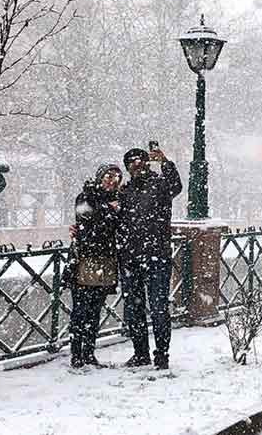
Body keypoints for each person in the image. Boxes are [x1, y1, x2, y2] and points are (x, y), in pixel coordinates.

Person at [118, 147, 182, 368]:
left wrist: (165, 161)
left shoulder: (160, 184)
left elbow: (176, 185)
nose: (136, 165)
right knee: (133, 309)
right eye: (131, 162)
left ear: (147, 163)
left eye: (140, 161)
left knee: (158, 308)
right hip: (130, 258)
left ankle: (162, 355)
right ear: (127, 168)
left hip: (157, 256)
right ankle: (140, 353)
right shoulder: (124, 191)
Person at [63, 164, 122, 368]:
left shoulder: (115, 200)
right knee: (81, 309)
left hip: (105, 261)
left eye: (116, 177)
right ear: (99, 177)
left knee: (95, 309)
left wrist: (110, 212)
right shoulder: (86, 196)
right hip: (85, 260)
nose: (112, 180)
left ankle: (88, 353)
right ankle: (76, 354)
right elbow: (88, 224)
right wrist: (110, 211)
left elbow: (109, 226)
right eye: (108, 176)